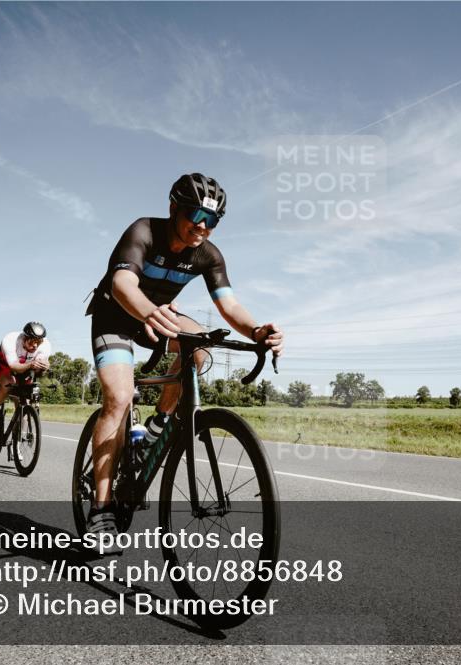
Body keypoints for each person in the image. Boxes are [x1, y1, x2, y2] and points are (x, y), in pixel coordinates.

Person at [84, 172, 284, 547]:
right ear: (174, 208)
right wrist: (146, 312)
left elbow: (229, 305)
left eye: (212, 221)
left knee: (201, 350)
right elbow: (122, 283)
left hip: (158, 316)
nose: (202, 226)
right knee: (120, 397)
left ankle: (157, 427)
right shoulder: (143, 231)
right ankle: (101, 509)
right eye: (195, 215)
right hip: (117, 316)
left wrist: (257, 331)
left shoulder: (208, 255)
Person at [0, 322, 52, 431]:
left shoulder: (45, 345)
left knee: (25, 398)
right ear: (24, 337)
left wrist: (44, 366)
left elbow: (39, 364)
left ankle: (18, 436)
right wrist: (31, 364)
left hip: (24, 367)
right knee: (8, 383)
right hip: (1, 364)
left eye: (38, 342)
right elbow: (13, 366)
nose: (35, 345)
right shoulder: (11, 339)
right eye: (32, 341)